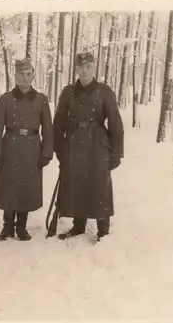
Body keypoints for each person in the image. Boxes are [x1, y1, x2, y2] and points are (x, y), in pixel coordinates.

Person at [53, 52, 124, 241]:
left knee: (100, 185)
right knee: (77, 183)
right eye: (80, 67)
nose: (84, 71)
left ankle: (103, 229)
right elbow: (58, 123)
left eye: (88, 67)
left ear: (94, 68)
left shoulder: (104, 92)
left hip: (98, 145)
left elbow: (116, 124)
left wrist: (116, 153)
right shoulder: (68, 92)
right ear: (76, 69)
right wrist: (60, 151)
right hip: (74, 144)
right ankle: (78, 225)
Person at [0, 58, 54, 241]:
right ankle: (7, 226)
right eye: (21, 75)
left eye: (28, 74)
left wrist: (47, 153)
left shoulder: (41, 100)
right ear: (15, 76)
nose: (25, 79)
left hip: (32, 148)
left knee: (26, 188)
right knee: (9, 188)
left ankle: (22, 226)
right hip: (10, 146)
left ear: (33, 76)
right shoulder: (6, 99)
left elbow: (48, 129)